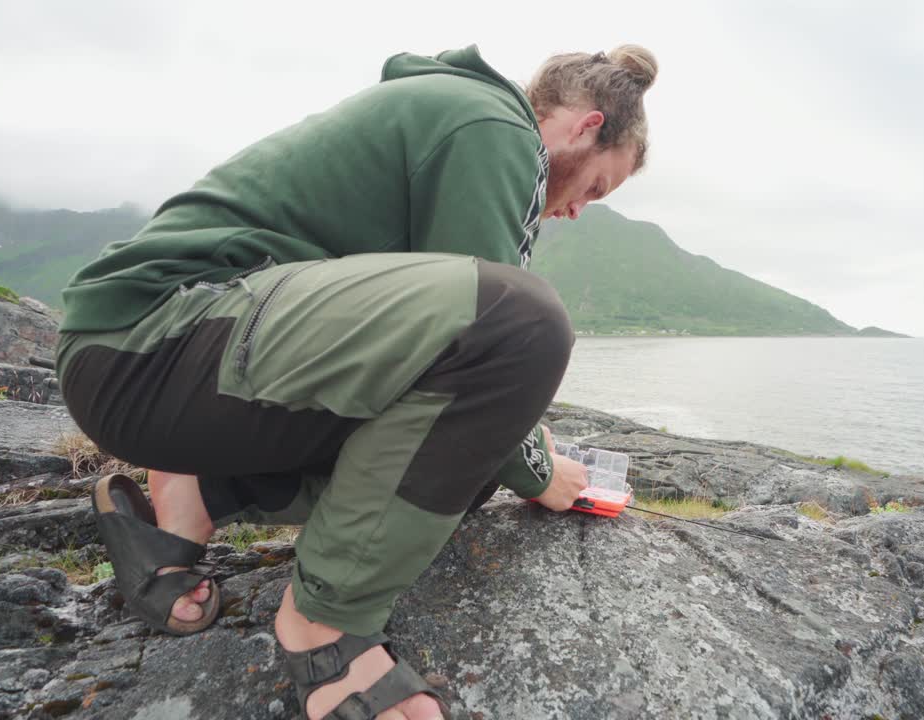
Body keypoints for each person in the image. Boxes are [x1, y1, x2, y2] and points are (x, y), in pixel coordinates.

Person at [57, 43, 657, 720]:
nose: (580, 209)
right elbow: (494, 323)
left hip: (186, 376)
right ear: (585, 125)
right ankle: (324, 623)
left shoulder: (461, 121)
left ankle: (198, 491)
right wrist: (541, 467)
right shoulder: (495, 129)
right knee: (523, 321)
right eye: (597, 187)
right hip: (149, 341)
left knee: (463, 459)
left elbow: (450, 378)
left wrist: (509, 443)